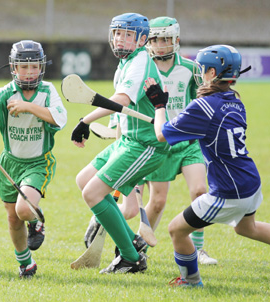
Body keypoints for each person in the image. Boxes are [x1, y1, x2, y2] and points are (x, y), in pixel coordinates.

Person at [85, 16, 218, 265]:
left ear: (176, 40)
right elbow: (125, 101)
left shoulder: (189, 69)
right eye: (156, 39)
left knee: (200, 190)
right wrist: (116, 126)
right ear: (148, 41)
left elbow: (202, 100)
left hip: (186, 142)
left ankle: (198, 249)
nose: (160, 45)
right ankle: (138, 246)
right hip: (158, 139)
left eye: (166, 39)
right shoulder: (139, 65)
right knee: (156, 202)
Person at [146, 44, 269, 287]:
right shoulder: (235, 101)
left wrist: (159, 105)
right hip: (250, 181)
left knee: (176, 230)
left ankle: (190, 281)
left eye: (203, 69)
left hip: (229, 191)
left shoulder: (203, 106)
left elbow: (161, 134)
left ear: (213, 73)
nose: (200, 74)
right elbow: (213, 133)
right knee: (247, 228)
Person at [0, 40, 67, 278]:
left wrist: (28, 107)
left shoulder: (48, 91)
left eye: (34, 66)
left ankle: (37, 221)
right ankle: (25, 263)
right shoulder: (7, 92)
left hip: (39, 163)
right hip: (9, 163)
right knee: (13, 218)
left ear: (42, 68)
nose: (29, 72)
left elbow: (60, 118)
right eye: (23, 67)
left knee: (24, 210)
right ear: (13, 68)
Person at [71, 13, 168, 274]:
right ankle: (133, 241)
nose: (119, 39)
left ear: (141, 39)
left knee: (92, 193)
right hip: (128, 140)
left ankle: (131, 258)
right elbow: (123, 108)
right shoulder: (127, 62)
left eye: (127, 34)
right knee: (84, 180)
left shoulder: (139, 62)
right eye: (116, 33)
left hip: (145, 145)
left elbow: (121, 100)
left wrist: (85, 120)